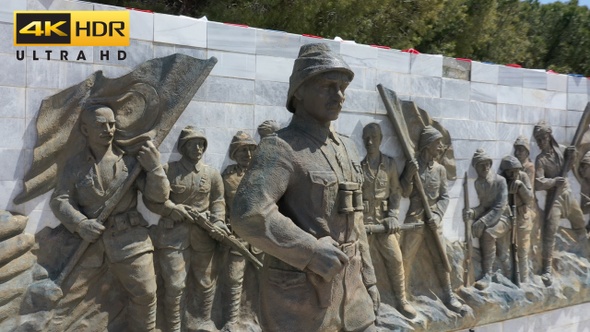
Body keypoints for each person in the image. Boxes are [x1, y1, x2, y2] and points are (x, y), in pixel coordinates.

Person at [231, 43, 380, 332]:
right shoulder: (280, 147)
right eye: (328, 86)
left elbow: (356, 222)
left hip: (353, 295)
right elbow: (248, 214)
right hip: (300, 301)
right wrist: (310, 251)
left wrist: (370, 281)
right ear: (298, 91)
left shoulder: (348, 148)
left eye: (343, 88)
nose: (339, 96)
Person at [50, 105, 169, 331]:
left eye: (112, 124)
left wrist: (155, 170)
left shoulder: (131, 163)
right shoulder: (75, 165)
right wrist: (80, 223)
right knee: (67, 303)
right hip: (89, 245)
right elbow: (59, 200)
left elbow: (158, 199)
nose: (109, 129)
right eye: (101, 125)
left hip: (130, 240)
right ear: (85, 130)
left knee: (146, 294)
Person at [146, 126, 229, 332]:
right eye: (193, 144)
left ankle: (202, 322)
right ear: (183, 147)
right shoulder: (168, 170)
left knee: (205, 283)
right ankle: (173, 328)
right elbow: (152, 200)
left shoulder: (212, 174)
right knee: (175, 286)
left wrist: (218, 222)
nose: (198, 148)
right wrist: (170, 209)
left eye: (201, 144)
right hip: (173, 236)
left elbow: (218, 201)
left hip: (203, 236)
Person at [400, 126, 462, 312]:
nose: (441, 147)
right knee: (405, 258)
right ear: (427, 145)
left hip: (433, 221)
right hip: (415, 219)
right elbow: (404, 191)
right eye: (438, 143)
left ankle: (448, 295)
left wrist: (437, 215)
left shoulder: (440, 170)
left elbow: (444, 197)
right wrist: (409, 174)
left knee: (440, 258)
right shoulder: (413, 164)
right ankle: (402, 297)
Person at [361, 123, 416, 319]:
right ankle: (364, 305)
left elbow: (395, 193)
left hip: (384, 225)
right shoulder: (359, 167)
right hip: (365, 225)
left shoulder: (390, 164)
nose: (369, 141)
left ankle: (401, 300)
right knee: (360, 263)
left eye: (373, 137)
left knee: (396, 259)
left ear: (380, 139)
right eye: (366, 138)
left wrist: (393, 216)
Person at [533, 121, 588, 286]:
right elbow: (538, 183)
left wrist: (573, 157)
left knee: (579, 224)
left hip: (567, 195)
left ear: (549, 136)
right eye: (538, 140)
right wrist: (553, 182)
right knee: (550, 231)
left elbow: (571, 168)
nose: (541, 142)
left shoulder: (562, 150)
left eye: (543, 138)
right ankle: (547, 269)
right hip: (553, 197)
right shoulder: (540, 160)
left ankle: (587, 253)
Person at [221, 131, 259, 331]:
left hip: (261, 238)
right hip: (237, 236)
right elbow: (220, 204)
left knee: (263, 279)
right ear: (234, 152)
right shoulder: (227, 176)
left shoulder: (262, 175)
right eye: (243, 150)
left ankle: (260, 317)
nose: (248, 154)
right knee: (234, 278)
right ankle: (232, 320)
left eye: (251, 149)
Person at [464, 149, 511, 290]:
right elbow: (484, 206)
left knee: (489, 235)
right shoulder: (478, 183)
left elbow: (500, 206)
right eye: (481, 165)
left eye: (487, 164)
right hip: (492, 218)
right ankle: (494, 273)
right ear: (476, 167)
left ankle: (490, 274)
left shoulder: (500, 181)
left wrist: (483, 221)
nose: (485, 168)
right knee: (501, 253)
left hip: (504, 218)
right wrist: (472, 213)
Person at [499, 155, 535, 284]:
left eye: (516, 170)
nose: (513, 174)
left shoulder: (523, 177)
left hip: (522, 215)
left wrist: (521, 187)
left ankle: (523, 280)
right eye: (510, 171)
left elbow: (529, 198)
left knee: (523, 250)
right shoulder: (502, 179)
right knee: (504, 250)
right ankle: (509, 276)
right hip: (507, 216)